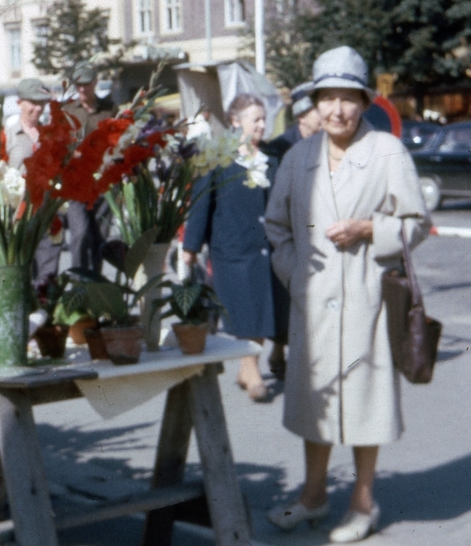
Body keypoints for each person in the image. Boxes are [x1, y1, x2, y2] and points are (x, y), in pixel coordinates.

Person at [263, 46, 430, 543]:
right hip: (312, 304)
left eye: (348, 98)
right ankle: (313, 496)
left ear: (365, 101)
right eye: (327, 97)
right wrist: (296, 275)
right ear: (314, 101)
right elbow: (276, 226)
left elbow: (416, 223)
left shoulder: (387, 153)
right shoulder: (298, 156)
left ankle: (362, 501)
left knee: (363, 404)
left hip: (366, 299)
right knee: (316, 404)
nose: (337, 109)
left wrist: (369, 228)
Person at [182, 93, 283, 402]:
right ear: (235, 122)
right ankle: (250, 368)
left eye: (265, 119)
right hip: (231, 249)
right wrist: (190, 247)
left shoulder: (270, 159)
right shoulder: (217, 158)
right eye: (257, 120)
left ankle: (248, 367)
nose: (263, 126)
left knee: (264, 310)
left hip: (266, 249)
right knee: (244, 310)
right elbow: (200, 205)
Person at [259, 81, 318, 380]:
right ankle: (279, 349)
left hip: (315, 227)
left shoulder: (326, 143)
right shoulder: (280, 147)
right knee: (286, 294)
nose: (321, 115)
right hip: (287, 231)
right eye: (314, 110)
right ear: (302, 116)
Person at [7, 78, 62, 288]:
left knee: (47, 279)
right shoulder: (9, 134)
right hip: (19, 216)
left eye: (42, 104)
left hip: (47, 214)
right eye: (33, 103)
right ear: (20, 102)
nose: (38, 109)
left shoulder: (50, 135)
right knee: (21, 275)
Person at [64, 63, 114, 272]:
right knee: (80, 234)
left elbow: (117, 140)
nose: (82, 89)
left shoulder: (109, 109)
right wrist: (71, 153)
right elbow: (58, 145)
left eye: (86, 84)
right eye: (78, 85)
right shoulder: (67, 110)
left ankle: (95, 284)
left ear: (95, 83)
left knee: (99, 237)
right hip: (77, 183)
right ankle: (78, 282)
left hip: (102, 183)